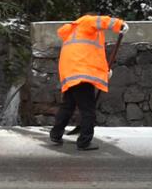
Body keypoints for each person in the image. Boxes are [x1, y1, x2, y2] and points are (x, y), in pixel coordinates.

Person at [50, 13, 129, 150]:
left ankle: (55, 134)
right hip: (82, 74)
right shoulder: (86, 22)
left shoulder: (73, 32)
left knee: (67, 106)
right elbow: (102, 21)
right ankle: (84, 142)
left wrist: (104, 72)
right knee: (88, 110)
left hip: (70, 73)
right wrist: (119, 24)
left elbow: (90, 54)